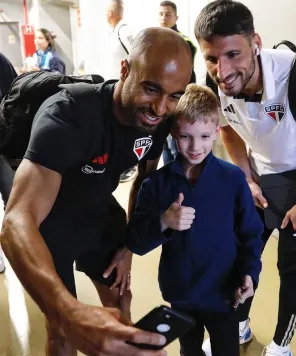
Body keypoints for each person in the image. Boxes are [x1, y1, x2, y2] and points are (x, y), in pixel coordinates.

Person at [0, 27, 192, 356]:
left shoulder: (155, 123)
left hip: (102, 219)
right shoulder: (70, 113)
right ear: (125, 70)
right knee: (62, 330)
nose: (160, 108)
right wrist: (69, 311)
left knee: (121, 307)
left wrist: (130, 246)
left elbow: (143, 183)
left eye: (174, 96)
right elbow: (17, 219)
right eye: (151, 89)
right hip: (52, 230)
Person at [194, 0, 296, 356]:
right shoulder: (216, 80)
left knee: (291, 270)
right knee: (239, 258)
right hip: (257, 177)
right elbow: (227, 129)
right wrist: (245, 176)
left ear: (256, 43)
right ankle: (239, 326)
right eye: (211, 58)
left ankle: (281, 345)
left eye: (233, 54)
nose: (223, 70)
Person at [126, 84, 264, 356]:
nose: (195, 146)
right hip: (182, 294)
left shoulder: (233, 179)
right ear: (173, 134)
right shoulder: (157, 185)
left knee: (227, 350)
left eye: (203, 136)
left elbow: (251, 233)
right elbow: (137, 242)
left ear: (216, 132)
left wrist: (250, 272)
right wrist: (164, 222)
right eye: (186, 136)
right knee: (190, 351)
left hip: (224, 294)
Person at [159, 0, 198, 165]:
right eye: (161, 14)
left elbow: (184, 77)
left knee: (176, 147)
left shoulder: (184, 42)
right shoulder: (157, 40)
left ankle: (180, 186)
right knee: (164, 148)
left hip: (177, 103)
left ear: (176, 17)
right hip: (160, 104)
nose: (164, 17)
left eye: (168, 14)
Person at [106, 0, 137, 182]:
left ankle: (130, 165)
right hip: (114, 88)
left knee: (127, 126)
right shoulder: (114, 32)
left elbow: (138, 54)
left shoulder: (124, 31)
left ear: (111, 13)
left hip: (127, 90)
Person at [0, 52, 18, 273]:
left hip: (2, 144)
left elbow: (15, 96)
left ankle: (16, 249)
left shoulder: (1, 62)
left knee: (13, 198)